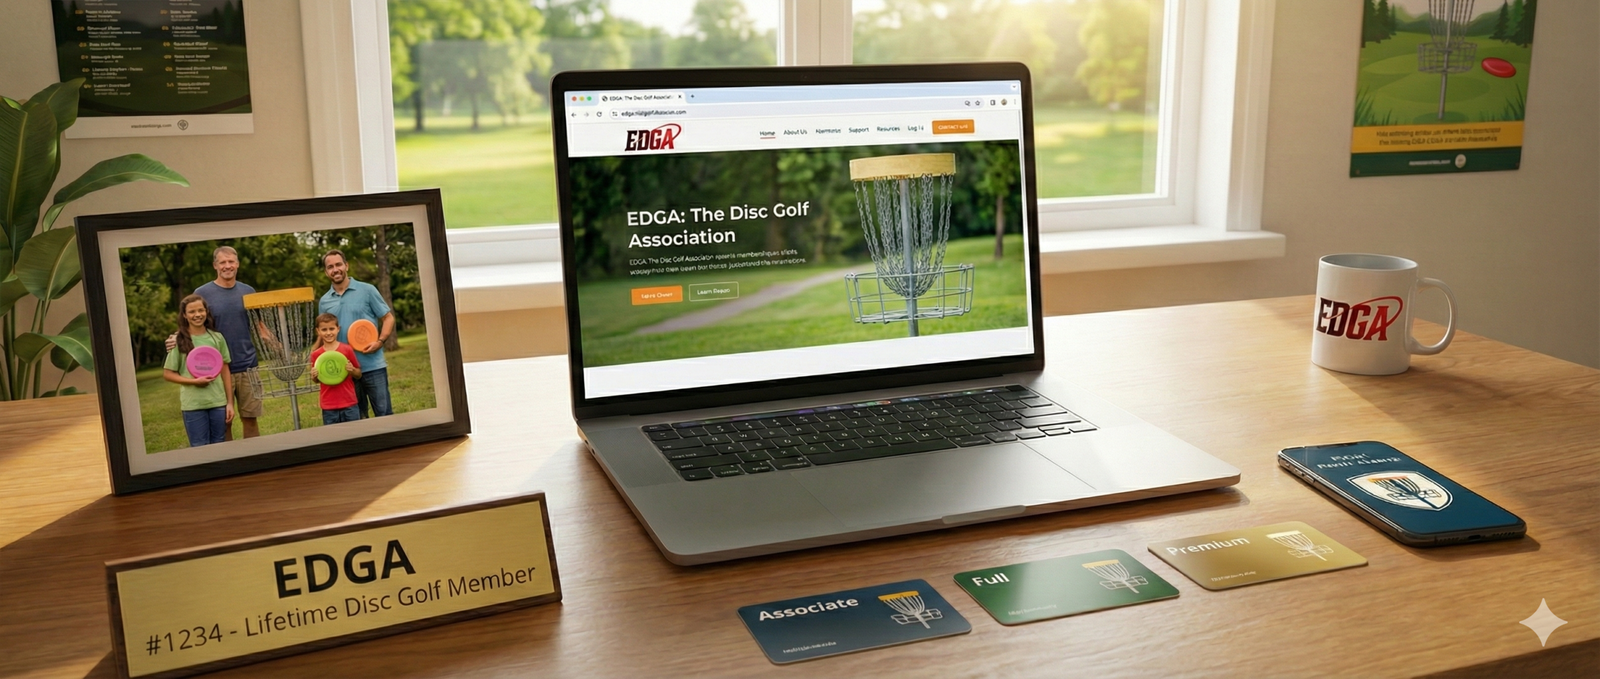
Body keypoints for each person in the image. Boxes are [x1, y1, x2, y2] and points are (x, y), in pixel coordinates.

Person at [165, 246, 266, 440]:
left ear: (237, 264)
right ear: (215, 265)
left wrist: (279, 346)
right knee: (224, 422)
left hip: (248, 367)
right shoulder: (203, 293)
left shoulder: (249, 291)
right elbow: (193, 319)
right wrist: (176, 337)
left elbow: (259, 326)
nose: (227, 266)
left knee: (251, 420)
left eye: (231, 262)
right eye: (223, 262)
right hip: (216, 370)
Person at [318, 249, 396, 418]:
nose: (335, 269)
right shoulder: (324, 301)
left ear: (346, 266)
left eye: (338, 264)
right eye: (330, 267)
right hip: (346, 369)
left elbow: (388, 318)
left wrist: (380, 341)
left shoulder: (367, 290)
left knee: (384, 415)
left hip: (373, 366)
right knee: (358, 418)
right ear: (326, 272)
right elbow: (323, 333)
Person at [162, 294, 234, 447]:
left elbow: (225, 370)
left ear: (206, 311)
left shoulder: (217, 338)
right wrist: (194, 381)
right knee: (199, 447)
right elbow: (168, 374)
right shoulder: (179, 340)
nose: (197, 315)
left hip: (217, 403)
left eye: (200, 310)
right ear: (184, 315)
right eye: (192, 312)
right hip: (193, 405)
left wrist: (229, 403)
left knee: (220, 445)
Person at [309, 313, 363, 424]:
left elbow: (359, 374)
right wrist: (314, 376)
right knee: (333, 438)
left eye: (331, 329)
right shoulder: (316, 355)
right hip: (329, 406)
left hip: (349, 403)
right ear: (318, 331)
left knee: (355, 435)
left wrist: (352, 370)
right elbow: (317, 380)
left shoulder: (347, 349)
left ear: (338, 329)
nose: (328, 333)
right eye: (324, 330)